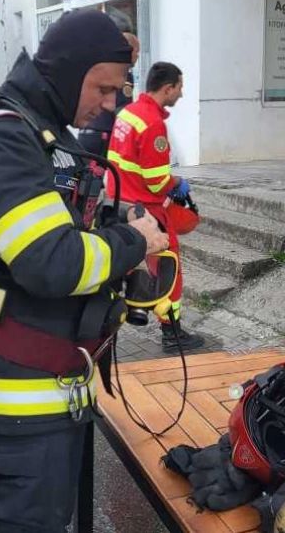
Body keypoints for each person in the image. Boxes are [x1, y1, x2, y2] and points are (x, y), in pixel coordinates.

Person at [0, 10, 168, 532]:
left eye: (118, 91)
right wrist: (135, 241)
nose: (111, 104)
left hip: (48, 391)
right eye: (103, 88)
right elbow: (52, 263)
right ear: (68, 70)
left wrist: (111, 223)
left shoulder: (42, 135)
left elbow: (59, 224)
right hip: (13, 406)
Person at [106, 61, 206, 352]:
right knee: (168, 268)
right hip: (147, 209)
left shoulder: (127, 113)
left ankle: (112, 322)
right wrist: (177, 183)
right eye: (180, 88)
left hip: (119, 203)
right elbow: (156, 181)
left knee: (123, 266)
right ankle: (172, 333)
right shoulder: (152, 123)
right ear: (168, 88)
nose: (182, 94)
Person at [77, 11, 139, 157]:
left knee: (87, 170)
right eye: (135, 51)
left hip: (87, 132)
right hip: (104, 135)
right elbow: (122, 111)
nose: (137, 56)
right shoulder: (121, 74)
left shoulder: (98, 67)